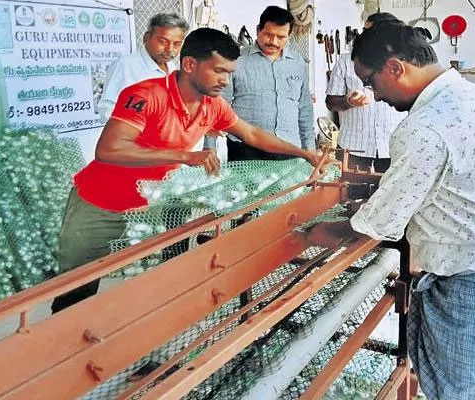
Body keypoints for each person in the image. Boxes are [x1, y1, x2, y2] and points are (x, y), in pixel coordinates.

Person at [308, 23, 475, 399]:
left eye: (371, 81)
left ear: (395, 67)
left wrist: (311, 234)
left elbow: (375, 227)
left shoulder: (423, 127)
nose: (374, 94)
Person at [51, 28, 322, 314]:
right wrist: (184, 155)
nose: (225, 81)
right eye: (218, 71)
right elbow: (108, 150)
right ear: (190, 64)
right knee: (77, 286)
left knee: (152, 282)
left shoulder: (212, 105)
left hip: (150, 202)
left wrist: (303, 153)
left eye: (229, 73)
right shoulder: (145, 95)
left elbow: (252, 134)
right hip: (100, 203)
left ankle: (142, 345)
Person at [221, 6, 315, 161]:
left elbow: (304, 108)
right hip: (246, 150)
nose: (274, 42)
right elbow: (219, 104)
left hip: (289, 149)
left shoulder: (297, 62)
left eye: (281, 37)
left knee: (291, 187)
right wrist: (209, 146)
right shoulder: (236, 59)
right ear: (258, 30)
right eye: (268, 35)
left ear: (289, 35)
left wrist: (309, 148)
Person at [325, 12, 406, 173]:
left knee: (392, 197)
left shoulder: (404, 62)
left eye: (370, 32)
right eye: (364, 31)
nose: (364, 36)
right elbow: (330, 102)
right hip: (353, 148)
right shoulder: (346, 62)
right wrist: (348, 102)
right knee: (349, 195)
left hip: (394, 148)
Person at [97, 13, 188, 122]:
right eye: (163, 41)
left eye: (177, 44)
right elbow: (107, 109)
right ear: (146, 38)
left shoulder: (171, 67)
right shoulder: (125, 66)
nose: (170, 49)